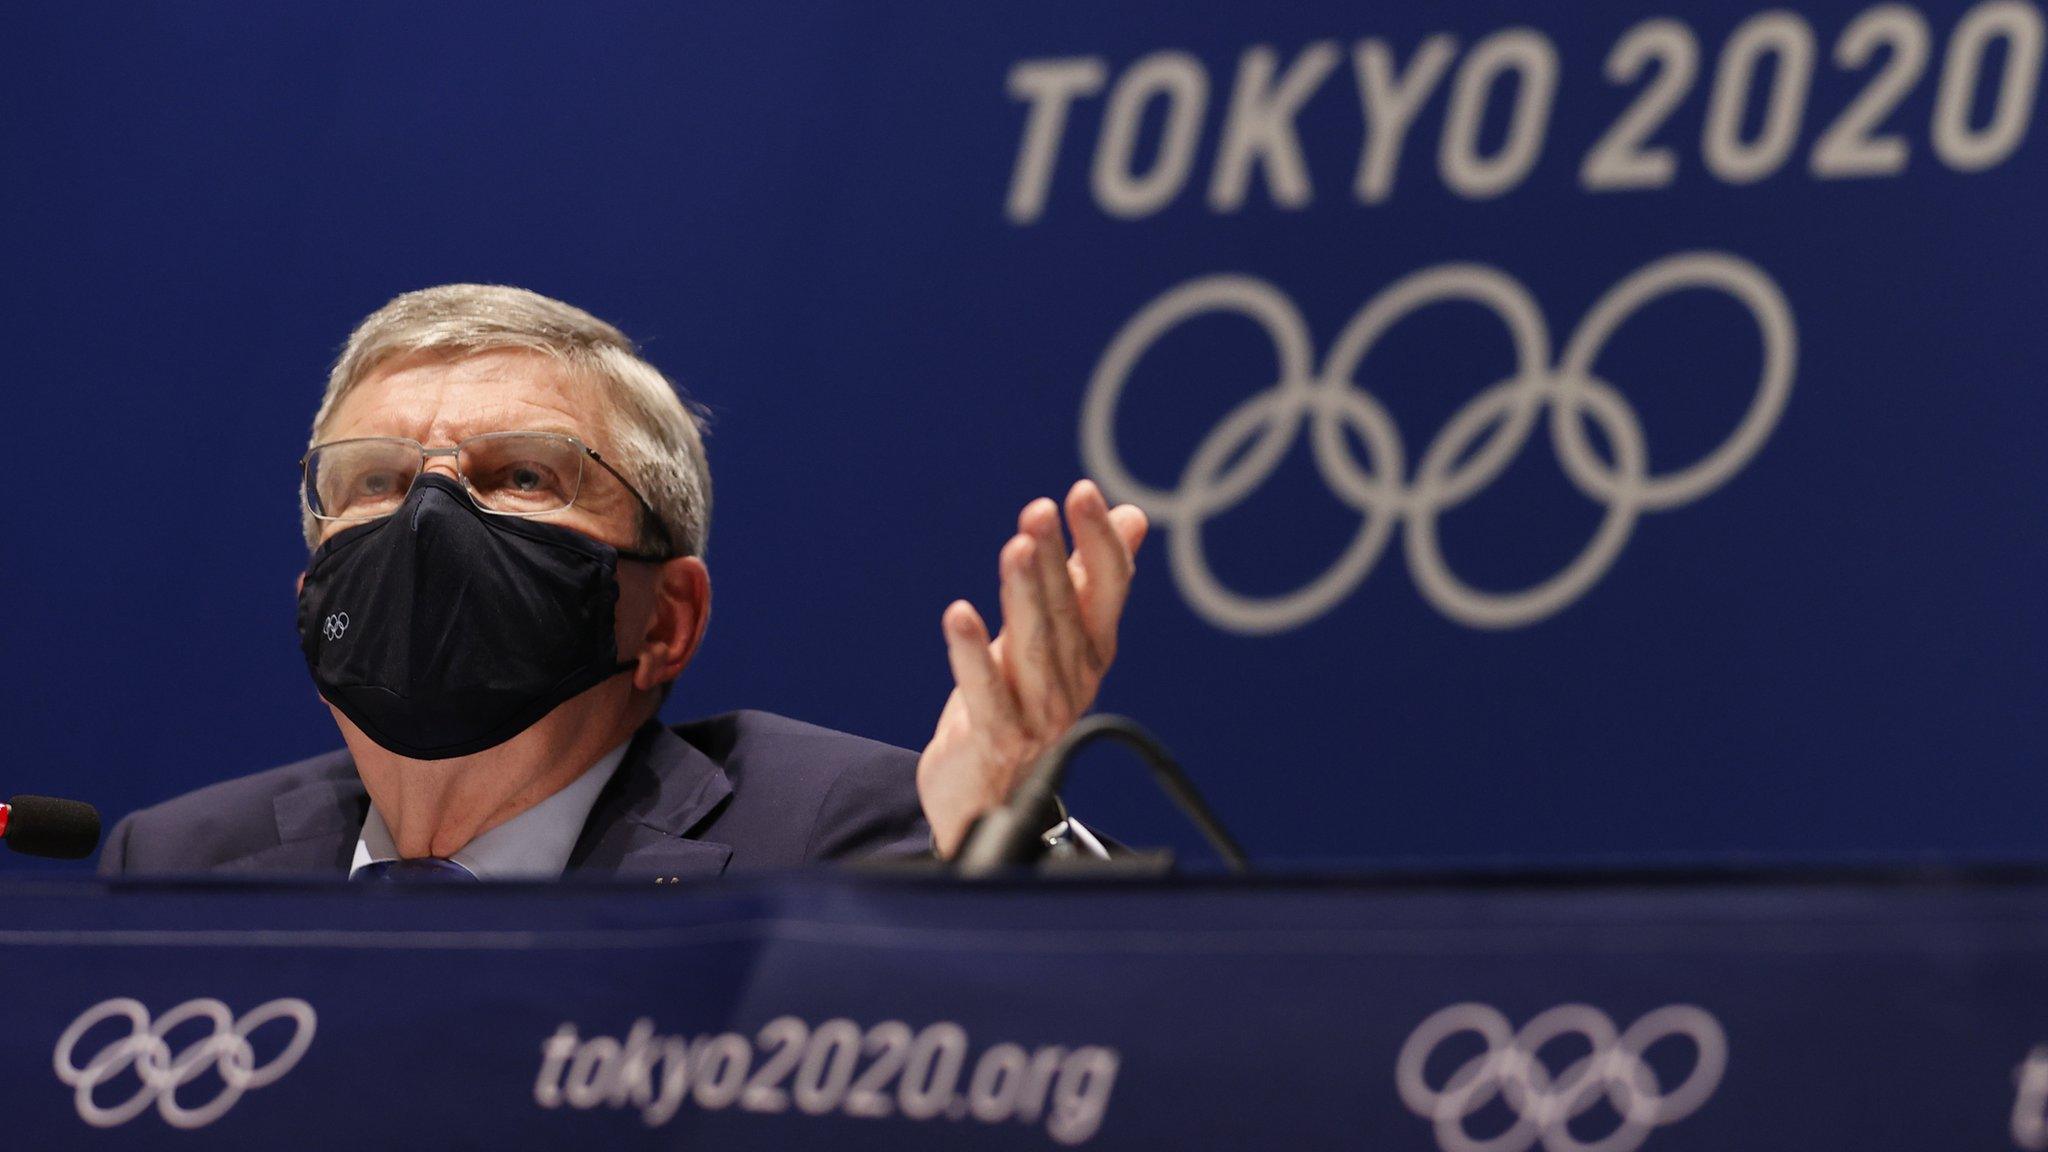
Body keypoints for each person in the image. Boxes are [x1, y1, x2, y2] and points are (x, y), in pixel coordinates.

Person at [97, 285, 1146, 879]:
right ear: (307, 597)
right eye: (375, 479)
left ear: (666, 619)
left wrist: (1004, 842)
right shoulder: (176, 864)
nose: (429, 519)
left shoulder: (845, 834)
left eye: (521, 475)